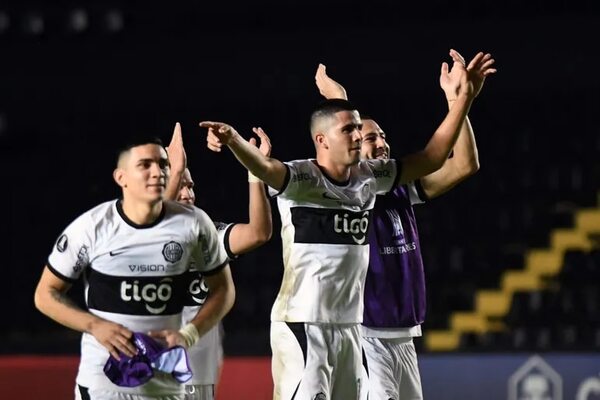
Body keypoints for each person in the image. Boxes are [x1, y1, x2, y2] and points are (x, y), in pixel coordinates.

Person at [200, 49, 495, 400]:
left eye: (369, 132)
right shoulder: (305, 179)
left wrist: (460, 99)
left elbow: (443, 159)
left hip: (360, 328)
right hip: (319, 324)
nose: (371, 139)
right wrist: (234, 141)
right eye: (361, 133)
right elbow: (270, 169)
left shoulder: (378, 181)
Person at [315, 49, 492, 399]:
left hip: (405, 334)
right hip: (366, 334)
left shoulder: (399, 190)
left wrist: (457, 100)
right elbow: (343, 158)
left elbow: (464, 165)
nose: (381, 143)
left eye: (383, 136)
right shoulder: (348, 190)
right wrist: (340, 100)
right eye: (369, 138)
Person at [33, 133, 236, 400]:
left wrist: (189, 334)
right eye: (145, 165)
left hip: (166, 387)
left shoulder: (194, 224)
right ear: (121, 178)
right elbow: (45, 295)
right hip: (102, 385)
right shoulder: (92, 227)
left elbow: (224, 290)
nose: (157, 172)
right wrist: (94, 325)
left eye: (163, 164)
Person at [164, 125, 273, 400]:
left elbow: (258, 233)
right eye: (179, 184)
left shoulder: (206, 234)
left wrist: (255, 172)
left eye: (190, 185)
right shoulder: (135, 238)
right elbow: (151, 225)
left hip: (196, 368)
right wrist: (175, 169)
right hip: (150, 365)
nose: (188, 193)